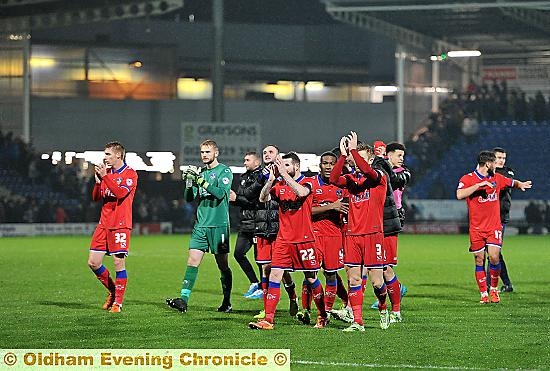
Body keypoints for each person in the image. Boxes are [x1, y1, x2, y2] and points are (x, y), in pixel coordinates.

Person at [249, 152, 328, 330]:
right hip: (284, 240)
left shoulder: (308, 182)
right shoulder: (280, 185)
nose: (282, 169)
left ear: (296, 166)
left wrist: (283, 175)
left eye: (286, 165)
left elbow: (301, 192)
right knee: (274, 275)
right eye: (281, 165)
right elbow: (263, 198)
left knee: (311, 278)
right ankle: (268, 320)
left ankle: (322, 315)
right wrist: (270, 180)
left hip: (304, 240)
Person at [329, 132, 390, 332]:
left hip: (373, 234)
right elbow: (333, 178)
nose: (355, 162)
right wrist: (341, 155)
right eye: (354, 159)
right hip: (353, 235)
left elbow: (368, 172)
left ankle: (383, 307)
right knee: (354, 279)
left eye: (360, 159)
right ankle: (358, 322)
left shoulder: (379, 177)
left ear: (370, 160)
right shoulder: (351, 180)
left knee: (377, 283)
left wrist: (353, 151)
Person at [166, 139, 234, 313]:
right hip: (201, 225)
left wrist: (200, 181)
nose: (204, 155)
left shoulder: (224, 171)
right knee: (192, 261)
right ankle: (183, 299)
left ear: (216, 153)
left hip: (219, 226)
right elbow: (189, 197)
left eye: (207, 152)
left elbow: (220, 194)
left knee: (223, 265)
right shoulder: (200, 173)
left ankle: (226, 301)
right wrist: (190, 182)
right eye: (202, 152)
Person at [457, 150, 531, 304]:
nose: (497, 166)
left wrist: (521, 184)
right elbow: (459, 194)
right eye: (494, 163)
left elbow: (511, 182)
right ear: (488, 164)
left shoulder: (497, 178)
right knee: (479, 260)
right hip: (476, 228)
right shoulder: (468, 178)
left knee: (494, 256)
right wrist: (479, 185)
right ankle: (483, 293)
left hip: (493, 226)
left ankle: (494, 290)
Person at [297, 151, 350, 325]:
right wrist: (332, 206)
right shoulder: (310, 184)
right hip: (312, 235)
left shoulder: (343, 186)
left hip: (334, 235)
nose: (328, 166)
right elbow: (305, 211)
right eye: (325, 163)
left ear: (338, 166)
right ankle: (305, 310)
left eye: (332, 164)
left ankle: (325, 313)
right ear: (319, 165)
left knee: (331, 274)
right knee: (309, 274)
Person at [87, 141, 138, 313]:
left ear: (118, 155)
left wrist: (105, 178)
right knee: (93, 262)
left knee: (118, 262)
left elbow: (121, 193)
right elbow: (96, 197)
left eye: (108, 154)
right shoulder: (106, 173)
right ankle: (113, 290)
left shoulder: (130, 174)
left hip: (120, 224)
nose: (105, 157)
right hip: (104, 223)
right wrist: (97, 182)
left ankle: (118, 303)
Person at [252, 145, 298, 320]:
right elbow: (254, 196)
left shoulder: (286, 176)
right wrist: (265, 178)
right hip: (263, 229)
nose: (266, 154)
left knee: (281, 270)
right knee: (265, 269)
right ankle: (266, 308)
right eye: (264, 152)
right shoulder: (259, 176)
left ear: (278, 156)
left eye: (270, 152)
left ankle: (293, 297)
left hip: (281, 230)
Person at [369, 142, 411, 321]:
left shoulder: (403, 173)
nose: (402, 159)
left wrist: (381, 161)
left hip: (391, 219)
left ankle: (394, 301)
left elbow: (392, 182)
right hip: (374, 219)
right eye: (398, 155)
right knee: (364, 265)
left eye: (403, 156)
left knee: (384, 266)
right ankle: (351, 307)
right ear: (389, 155)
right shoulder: (379, 168)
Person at [229, 151, 263, 299]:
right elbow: (244, 198)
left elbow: (256, 202)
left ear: (257, 162)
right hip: (245, 223)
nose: (245, 162)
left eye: (248, 160)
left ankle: (263, 287)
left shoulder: (261, 178)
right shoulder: (243, 178)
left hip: (257, 222)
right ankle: (254, 283)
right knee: (238, 253)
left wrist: (238, 198)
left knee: (259, 258)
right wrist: (236, 199)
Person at [492, 147, 515, 292]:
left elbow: (504, 184)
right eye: (499, 158)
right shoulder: (488, 173)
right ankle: (507, 284)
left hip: (500, 217)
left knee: (493, 253)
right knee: (494, 253)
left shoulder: (508, 172)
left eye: (503, 158)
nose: (502, 161)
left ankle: (489, 286)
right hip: (488, 217)